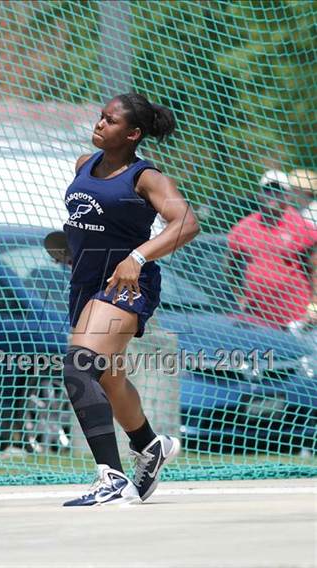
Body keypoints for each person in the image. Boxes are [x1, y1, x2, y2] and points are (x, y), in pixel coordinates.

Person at [61, 92, 200, 506]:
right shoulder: (84, 165)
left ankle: (110, 476)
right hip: (86, 285)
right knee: (107, 376)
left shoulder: (146, 176)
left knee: (79, 365)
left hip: (125, 285)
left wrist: (137, 257)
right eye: (100, 117)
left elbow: (186, 223)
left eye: (110, 120)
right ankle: (150, 445)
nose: (99, 124)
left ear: (133, 133)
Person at [226, 169, 317, 328]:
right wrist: (239, 297)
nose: (272, 195)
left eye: (278, 190)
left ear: (288, 195)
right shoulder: (244, 228)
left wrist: (314, 306)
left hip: (295, 322)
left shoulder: (303, 228)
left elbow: (315, 268)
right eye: (268, 190)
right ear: (260, 194)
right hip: (254, 320)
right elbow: (230, 266)